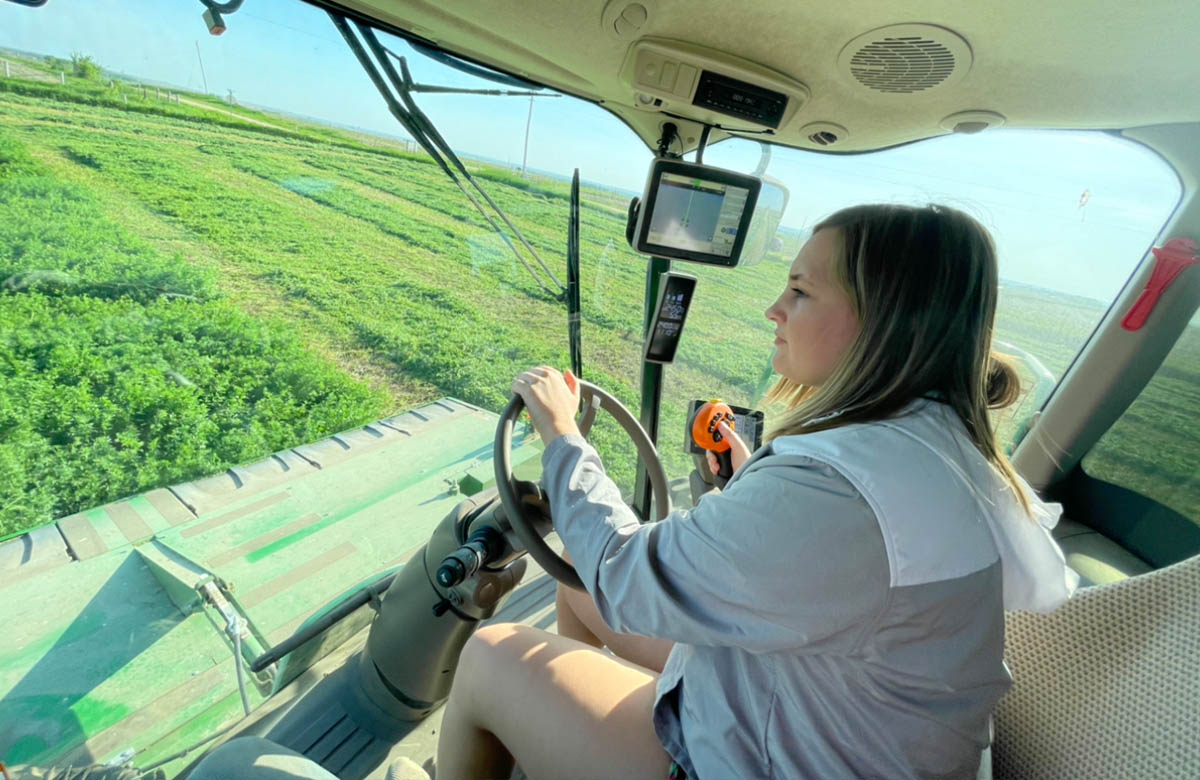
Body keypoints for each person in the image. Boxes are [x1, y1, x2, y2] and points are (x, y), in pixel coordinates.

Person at [435, 204, 1078, 779]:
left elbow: (627, 576)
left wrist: (560, 434)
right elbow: (839, 563)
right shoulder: (938, 450)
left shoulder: (834, 491)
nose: (774, 309)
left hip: (770, 756)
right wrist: (752, 482)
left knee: (492, 654)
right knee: (575, 578)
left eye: (799, 291)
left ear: (884, 323)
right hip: (819, 712)